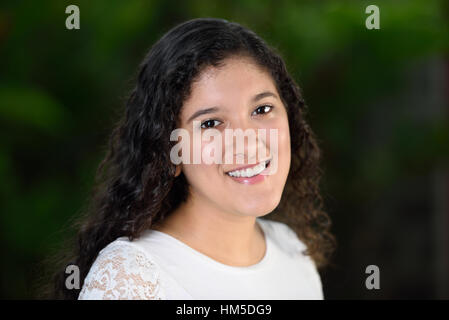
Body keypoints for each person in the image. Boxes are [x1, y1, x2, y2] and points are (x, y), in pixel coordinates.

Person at [53, 18, 335, 300]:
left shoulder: (292, 251)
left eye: (262, 109)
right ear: (170, 151)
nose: (247, 142)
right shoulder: (131, 279)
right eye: (211, 123)